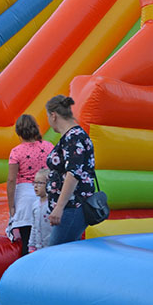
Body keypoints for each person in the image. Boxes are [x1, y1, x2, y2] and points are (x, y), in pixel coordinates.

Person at [45, 95, 96, 246]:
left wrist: (59, 207)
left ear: (53, 116)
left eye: (48, 116)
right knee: (66, 249)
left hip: (73, 206)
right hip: (70, 206)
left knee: (56, 251)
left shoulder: (74, 137)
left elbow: (73, 174)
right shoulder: (71, 136)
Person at [7, 114, 53, 257]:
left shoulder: (16, 152)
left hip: (25, 198)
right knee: (48, 239)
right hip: (47, 197)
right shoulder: (49, 147)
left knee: (28, 241)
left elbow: (11, 180)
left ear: (19, 132)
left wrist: (11, 207)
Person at [28, 169, 51, 253]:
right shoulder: (35, 205)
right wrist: (31, 245)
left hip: (51, 246)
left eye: (40, 183)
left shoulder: (52, 205)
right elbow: (34, 226)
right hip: (38, 248)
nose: (35, 186)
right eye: (34, 182)